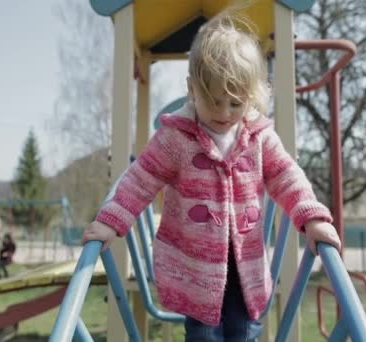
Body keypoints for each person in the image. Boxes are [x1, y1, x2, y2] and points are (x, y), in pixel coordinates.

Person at [82, 11, 341, 342]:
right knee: (204, 333)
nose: (224, 112)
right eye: (213, 100)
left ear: (252, 95)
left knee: (246, 330)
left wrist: (312, 218)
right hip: (195, 269)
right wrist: (111, 221)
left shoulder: (258, 136)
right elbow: (140, 178)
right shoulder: (177, 138)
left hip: (246, 265)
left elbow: (287, 175)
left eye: (235, 102)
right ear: (192, 89)